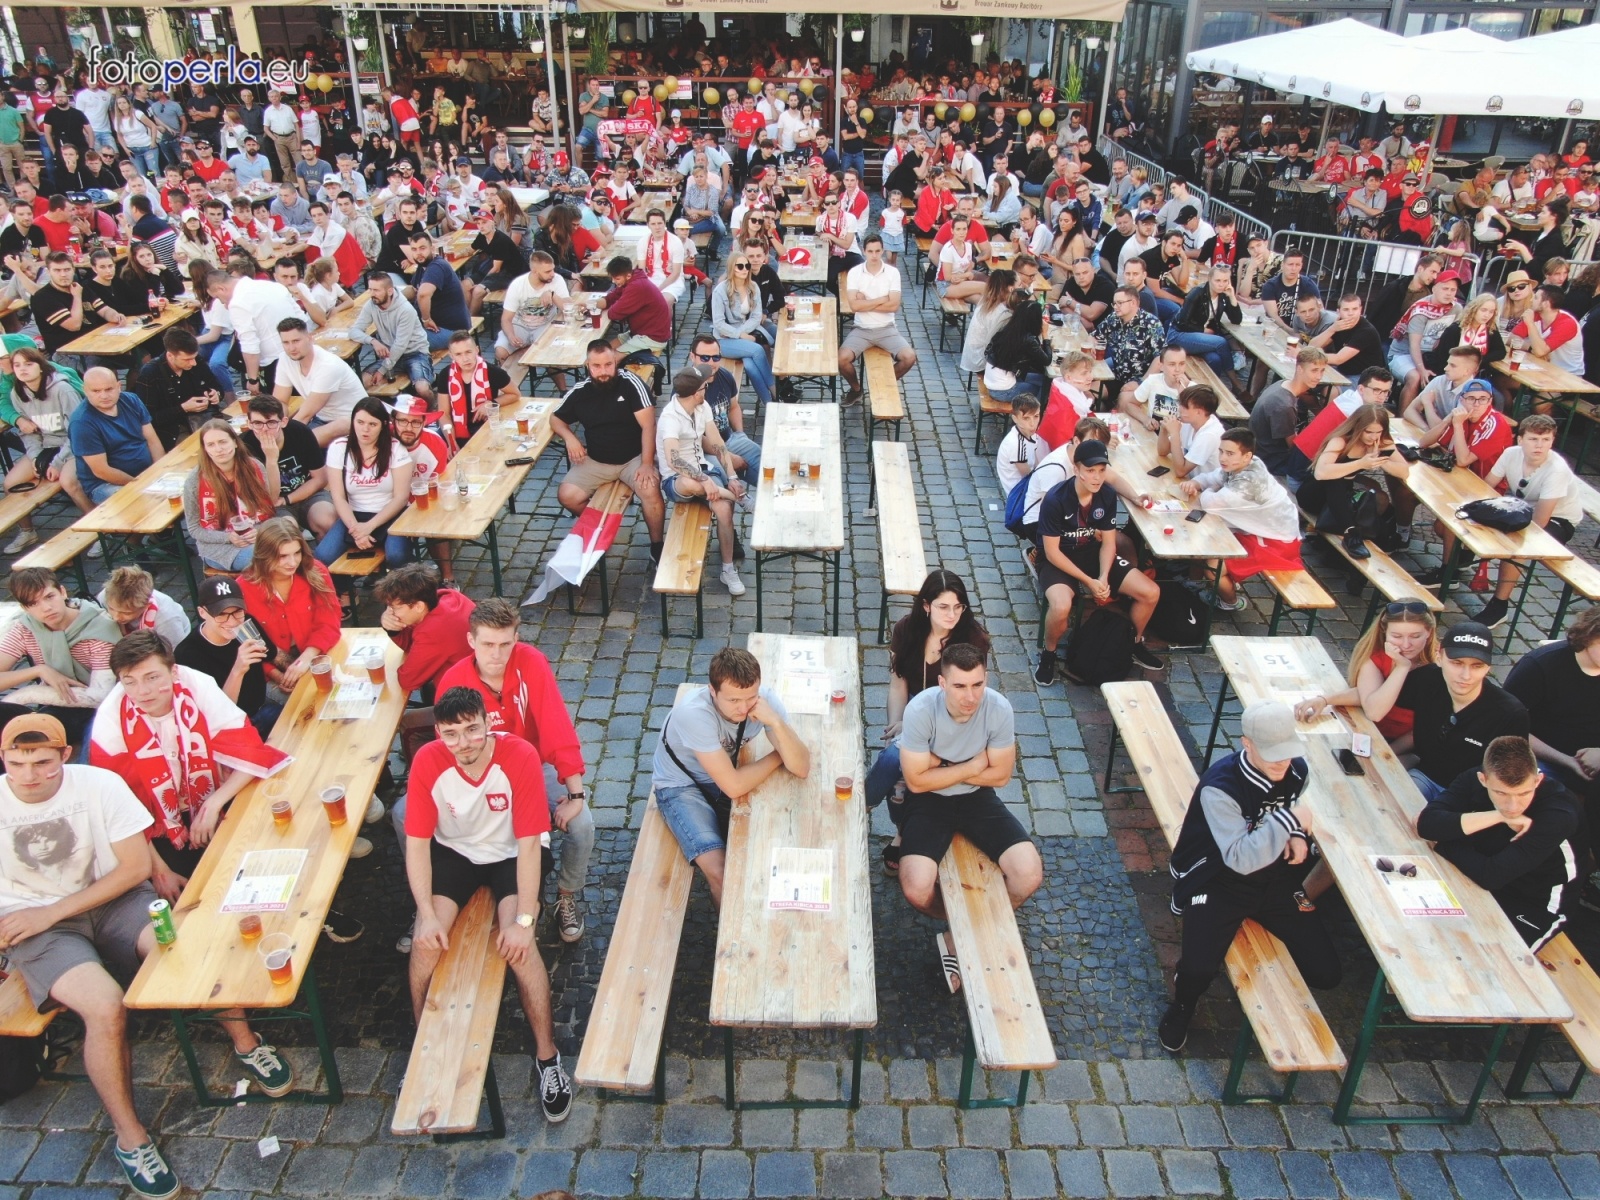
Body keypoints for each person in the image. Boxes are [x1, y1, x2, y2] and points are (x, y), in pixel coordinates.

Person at [0, 712, 189, 1198]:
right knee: (105, 1007)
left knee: (181, 949)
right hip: (36, 927)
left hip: (113, 902)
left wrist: (53, 910)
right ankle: (132, 1139)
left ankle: (246, 1042)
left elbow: (132, 869)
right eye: (16, 763)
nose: (29, 775)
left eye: (42, 762)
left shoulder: (97, 783)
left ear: (65, 755)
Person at [403, 686, 573, 1125]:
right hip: (455, 854)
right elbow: (418, 846)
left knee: (519, 948)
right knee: (425, 944)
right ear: (438, 733)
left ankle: (548, 1058)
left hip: (511, 853)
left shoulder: (518, 757)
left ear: (487, 724)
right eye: (451, 734)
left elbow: (530, 847)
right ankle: (422, 1044)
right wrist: (424, 913)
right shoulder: (427, 762)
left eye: (472, 730)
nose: (463, 743)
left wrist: (524, 920)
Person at [1159, 701, 1338, 1053]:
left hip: (1273, 878)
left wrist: (1297, 835)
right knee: (1197, 971)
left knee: (1326, 974)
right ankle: (1182, 1005)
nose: (1282, 762)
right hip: (1218, 878)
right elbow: (1240, 858)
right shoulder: (1220, 787)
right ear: (1247, 743)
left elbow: (1289, 811)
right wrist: (1293, 823)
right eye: (1272, 753)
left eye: (1287, 752)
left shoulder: (1296, 770)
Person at [431, 597, 591, 944]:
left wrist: (576, 794)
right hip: (480, 776)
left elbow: (555, 724)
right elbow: (448, 749)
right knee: (406, 818)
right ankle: (428, 904)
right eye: (488, 644)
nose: (497, 654)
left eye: (506, 644)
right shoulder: (455, 681)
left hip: (534, 766)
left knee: (581, 825)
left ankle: (566, 894)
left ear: (516, 638)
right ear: (471, 641)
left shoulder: (531, 663)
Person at [895, 642, 1041, 993]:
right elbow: (915, 780)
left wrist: (944, 765)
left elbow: (1001, 776)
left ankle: (962, 934)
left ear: (986, 678)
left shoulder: (999, 708)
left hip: (978, 800)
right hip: (928, 802)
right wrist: (975, 764)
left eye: (978, 685)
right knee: (916, 888)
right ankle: (961, 922)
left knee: (1029, 874)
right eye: (960, 686)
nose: (971, 696)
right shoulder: (920, 710)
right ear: (943, 683)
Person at [649, 647, 811, 905]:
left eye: (751, 697)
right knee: (723, 874)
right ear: (712, 691)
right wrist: (778, 755)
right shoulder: (693, 714)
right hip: (681, 786)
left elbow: (802, 767)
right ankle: (729, 937)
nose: (744, 708)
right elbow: (734, 785)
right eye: (734, 700)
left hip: (722, 772)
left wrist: (777, 723)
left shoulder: (764, 700)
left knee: (773, 848)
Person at [867, 571, 993, 872]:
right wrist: (899, 721)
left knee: (893, 762)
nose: (952, 614)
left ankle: (864, 806)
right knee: (899, 777)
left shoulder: (973, 639)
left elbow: (970, 696)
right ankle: (901, 832)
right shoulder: (906, 630)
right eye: (943, 607)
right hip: (914, 711)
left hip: (952, 720)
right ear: (926, 606)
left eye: (958, 607)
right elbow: (898, 684)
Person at [1418, 736, 1586, 949]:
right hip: (1482, 868)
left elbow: (1492, 876)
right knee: (1423, 934)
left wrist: (1443, 840)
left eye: (1524, 793)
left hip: (1536, 902)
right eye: (1501, 793)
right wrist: (1499, 816)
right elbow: (1426, 824)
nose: (1513, 805)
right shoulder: (1472, 778)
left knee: (1493, 963)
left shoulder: (1559, 813)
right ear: (1483, 779)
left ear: (1537, 780)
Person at [1034, 439, 1165, 685]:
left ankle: (1132, 643)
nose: (1096, 477)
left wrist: (1104, 577)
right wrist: (1089, 582)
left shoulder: (1106, 494)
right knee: (1061, 606)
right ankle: (1049, 653)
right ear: (1077, 470)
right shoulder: (1056, 499)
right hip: (1058, 561)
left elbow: (1108, 542)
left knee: (1150, 592)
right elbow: (1052, 553)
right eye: (1090, 471)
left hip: (1092, 556)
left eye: (1102, 470)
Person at [550, 340, 666, 564]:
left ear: (615, 362)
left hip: (633, 458)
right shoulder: (580, 392)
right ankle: (601, 530)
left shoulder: (631, 383)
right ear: (587, 365)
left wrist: (646, 463)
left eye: (608, 365)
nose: (603, 371)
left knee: (650, 490)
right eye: (597, 366)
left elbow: (648, 425)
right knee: (567, 496)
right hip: (596, 460)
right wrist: (570, 439)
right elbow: (555, 418)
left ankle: (657, 544)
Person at [1505, 605, 1600, 867]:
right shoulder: (1542, 665)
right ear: (1590, 634)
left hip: (1594, 758)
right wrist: (1567, 761)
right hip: (1540, 756)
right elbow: (1508, 727)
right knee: (1551, 809)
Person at [1472, 414, 1583, 629]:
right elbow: (1487, 489)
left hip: (1559, 520)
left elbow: (1540, 521)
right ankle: (1457, 566)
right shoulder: (1511, 454)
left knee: (1518, 541)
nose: (1539, 446)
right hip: (1523, 507)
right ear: (1520, 439)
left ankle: (1499, 606)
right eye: (1533, 439)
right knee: (1475, 519)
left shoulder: (1556, 469)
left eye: (1546, 440)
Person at [1399, 622, 1529, 802]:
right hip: (1425, 776)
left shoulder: (1509, 713)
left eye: (1477, 666)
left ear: (1489, 667)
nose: (1465, 675)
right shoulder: (1426, 680)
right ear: (1439, 656)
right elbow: (1374, 700)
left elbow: (1508, 779)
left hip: (1469, 799)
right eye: (1457, 663)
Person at [1293, 601, 1440, 757]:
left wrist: (1402, 667)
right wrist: (1324, 699)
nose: (1406, 644)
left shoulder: (1439, 668)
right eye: (1397, 636)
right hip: (1369, 733)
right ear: (1385, 632)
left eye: (1415, 636)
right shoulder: (1378, 658)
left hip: (1406, 747)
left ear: (1429, 632)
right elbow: (1369, 695)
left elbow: (1378, 714)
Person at [1179, 429, 1303, 610]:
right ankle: (1195, 582)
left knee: (1214, 568)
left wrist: (1206, 489)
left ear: (1247, 456)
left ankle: (1231, 603)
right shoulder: (1245, 464)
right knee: (1207, 538)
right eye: (1221, 451)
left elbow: (1209, 503)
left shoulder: (1247, 483)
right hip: (1259, 528)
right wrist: (1195, 483)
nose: (1223, 458)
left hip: (1278, 540)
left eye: (1230, 453)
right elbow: (1211, 478)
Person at [0, 567, 121, 746]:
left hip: (99, 709)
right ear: (24, 608)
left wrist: (26, 695)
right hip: (56, 703)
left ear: (63, 592)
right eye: (33, 603)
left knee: (29, 738)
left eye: (49, 596)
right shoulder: (26, 628)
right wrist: (40, 670)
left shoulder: (99, 628)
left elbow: (100, 695)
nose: (46, 608)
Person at [658, 366, 750, 596]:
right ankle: (744, 500)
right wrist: (704, 480)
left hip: (707, 473)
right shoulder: (670, 418)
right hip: (678, 481)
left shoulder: (702, 406)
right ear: (694, 393)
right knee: (690, 484)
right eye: (704, 387)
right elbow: (673, 460)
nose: (706, 389)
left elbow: (718, 443)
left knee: (723, 509)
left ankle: (728, 569)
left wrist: (730, 476)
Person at [236, 517, 342, 700]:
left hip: (318, 650)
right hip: (269, 668)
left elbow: (329, 620)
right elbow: (245, 642)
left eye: (297, 553)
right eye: (283, 556)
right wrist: (277, 675)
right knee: (306, 705)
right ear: (264, 555)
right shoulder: (243, 588)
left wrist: (307, 658)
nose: (292, 562)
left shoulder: (316, 571)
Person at [1298, 404, 1412, 560]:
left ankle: (1357, 563)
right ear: (1358, 427)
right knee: (1336, 477)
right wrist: (1361, 464)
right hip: (1314, 493)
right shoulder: (1341, 440)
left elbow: (1404, 471)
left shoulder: (1381, 441)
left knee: (1375, 503)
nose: (1373, 437)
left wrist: (1381, 461)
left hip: (1341, 497)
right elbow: (1320, 473)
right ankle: (1350, 533)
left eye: (1378, 432)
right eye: (1369, 432)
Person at [317, 396, 414, 571]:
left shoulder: (395, 449)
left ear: (383, 425)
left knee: (397, 555)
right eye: (360, 422)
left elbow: (401, 497)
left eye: (372, 424)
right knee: (323, 557)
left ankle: (405, 592)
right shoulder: (339, 448)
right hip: (354, 515)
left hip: (390, 513)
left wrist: (370, 526)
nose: (365, 429)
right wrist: (356, 529)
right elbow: (338, 496)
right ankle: (343, 594)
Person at [174, 577, 275, 736]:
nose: (232, 621)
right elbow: (218, 715)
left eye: (237, 611)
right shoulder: (187, 654)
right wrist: (238, 670)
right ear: (202, 612)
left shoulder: (246, 625)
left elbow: (271, 654)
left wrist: (292, 671)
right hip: (233, 727)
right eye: (221, 614)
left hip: (263, 707)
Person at [182, 419, 280, 573]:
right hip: (219, 547)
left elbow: (268, 509)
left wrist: (260, 531)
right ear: (205, 449)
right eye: (211, 445)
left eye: (223, 442)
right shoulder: (194, 481)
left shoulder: (254, 467)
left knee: (288, 540)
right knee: (265, 557)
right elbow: (194, 529)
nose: (218, 449)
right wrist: (228, 537)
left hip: (255, 534)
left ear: (235, 442)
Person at [839, 234, 916, 406]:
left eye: (878, 251)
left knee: (909, 357)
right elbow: (854, 307)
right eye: (870, 251)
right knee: (841, 359)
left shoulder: (892, 273)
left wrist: (865, 301)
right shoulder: (855, 272)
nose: (874, 255)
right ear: (864, 251)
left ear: (882, 251)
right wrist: (882, 299)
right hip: (862, 329)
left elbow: (894, 306)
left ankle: (881, 385)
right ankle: (856, 389)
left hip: (887, 328)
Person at [68, 368, 163, 506]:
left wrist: (160, 472)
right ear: (85, 390)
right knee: (144, 502)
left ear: (119, 386)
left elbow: (152, 441)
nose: (104, 395)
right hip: (106, 484)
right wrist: (140, 484)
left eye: (109, 389)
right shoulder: (82, 422)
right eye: (96, 391)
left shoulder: (132, 400)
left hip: (146, 474)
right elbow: (102, 471)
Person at [135, 328, 229, 450]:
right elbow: (148, 419)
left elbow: (216, 387)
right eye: (187, 359)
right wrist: (182, 409)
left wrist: (216, 395)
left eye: (194, 357)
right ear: (170, 355)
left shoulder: (196, 361)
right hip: (173, 431)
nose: (193, 363)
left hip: (206, 420)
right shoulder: (150, 374)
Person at [1248, 346, 1327, 481]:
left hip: (1261, 449)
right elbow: (1294, 447)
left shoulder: (1282, 384)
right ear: (1299, 369)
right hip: (1271, 462)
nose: (1319, 376)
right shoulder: (1283, 406)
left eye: (1322, 371)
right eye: (1314, 370)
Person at [1387, 269, 1463, 406]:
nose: (1449, 293)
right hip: (1404, 354)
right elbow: (1414, 345)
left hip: (1432, 355)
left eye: (1453, 290)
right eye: (1445, 288)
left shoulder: (1457, 308)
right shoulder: (1421, 310)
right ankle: (1403, 419)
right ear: (1434, 288)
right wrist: (1421, 370)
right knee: (1416, 377)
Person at [710, 253, 776, 406]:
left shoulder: (753, 287)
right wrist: (740, 335)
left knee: (751, 366)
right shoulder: (720, 291)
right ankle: (775, 392)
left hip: (743, 334)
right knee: (757, 350)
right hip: (723, 339)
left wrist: (742, 332)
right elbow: (719, 323)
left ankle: (769, 403)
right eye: (740, 266)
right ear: (732, 268)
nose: (745, 269)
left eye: (747, 266)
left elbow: (756, 316)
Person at [432, 329, 517, 447]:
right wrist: (450, 441)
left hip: (484, 425)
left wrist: (491, 403)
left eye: (468, 352)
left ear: (477, 350)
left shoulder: (492, 371)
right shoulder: (445, 374)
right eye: (458, 354)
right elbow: (444, 413)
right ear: (451, 356)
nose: (465, 358)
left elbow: (515, 394)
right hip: (454, 427)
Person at [1167, 264, 1241, 378]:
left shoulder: (1223, 295)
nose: (1221, 284)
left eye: (1225, 281)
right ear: (1210, 279)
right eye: (1218, 280)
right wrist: (1204, 330)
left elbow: (1236, 320)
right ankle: (1235, 382)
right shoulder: (1197, 293)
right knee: (1221, 342)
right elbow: (1183, 323)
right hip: (1179, 335)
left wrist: (1232, 296)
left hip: (1200, 338)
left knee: (1215, 360)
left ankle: (1213, 390)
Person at [1100, 287, 1167, 408]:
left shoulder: (1152, 324)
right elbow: (1094, 337)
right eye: (1114, 303)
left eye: (1120, 303)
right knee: (1088, 393)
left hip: (1142, 379)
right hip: (1117, 375)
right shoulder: (1113, 318)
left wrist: (1140, 382)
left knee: (1123, 402)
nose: (1115, 307)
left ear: (1133, 303)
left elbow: (1160, 359)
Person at [96, 567, 188, 649]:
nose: (116, 617)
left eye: (127, 613)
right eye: (111, 609)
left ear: (146, 606)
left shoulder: (166, 619)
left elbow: (176, 654)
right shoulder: (106, 596)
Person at [983, 300, 1051, 407]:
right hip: (1003, 391)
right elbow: (1047, 361)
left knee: (1044, 378)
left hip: (994, 382)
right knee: (1046, 385)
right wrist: (1045, 335)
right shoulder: (1028, 339)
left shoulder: (1009, 330)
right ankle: (1035, 415)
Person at [1156, 383, 1225, 481]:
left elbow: (1181, 471)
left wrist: (1174, 434)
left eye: (1185, 407)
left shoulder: (1209, 435)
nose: (1179, 409)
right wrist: (1164, 429)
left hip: (1205, 488)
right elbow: (1162, 452)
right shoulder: (1190, 421)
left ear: (1199, 412)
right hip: (1189, 481)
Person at [1257, 248, 1322, 332]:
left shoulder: (1309, 284)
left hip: (1303, 330)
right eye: (1290, 264)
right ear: (1282, 265)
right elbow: (1273, 315)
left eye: (1297, 265)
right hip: (1276, 329)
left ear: (1301, 266)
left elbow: (1320, 309)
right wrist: (1290, 331)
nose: (1294, 268)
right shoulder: (1270, 286)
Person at [996, 394, 1043, 496]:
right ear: (1015, 418)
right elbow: (1028, 477)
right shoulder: (1016, 444)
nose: (1033, 423)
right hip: (1018, 492)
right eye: (1026, 418)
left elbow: (1037, 463)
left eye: (1036, 416)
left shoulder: (1030, 433)